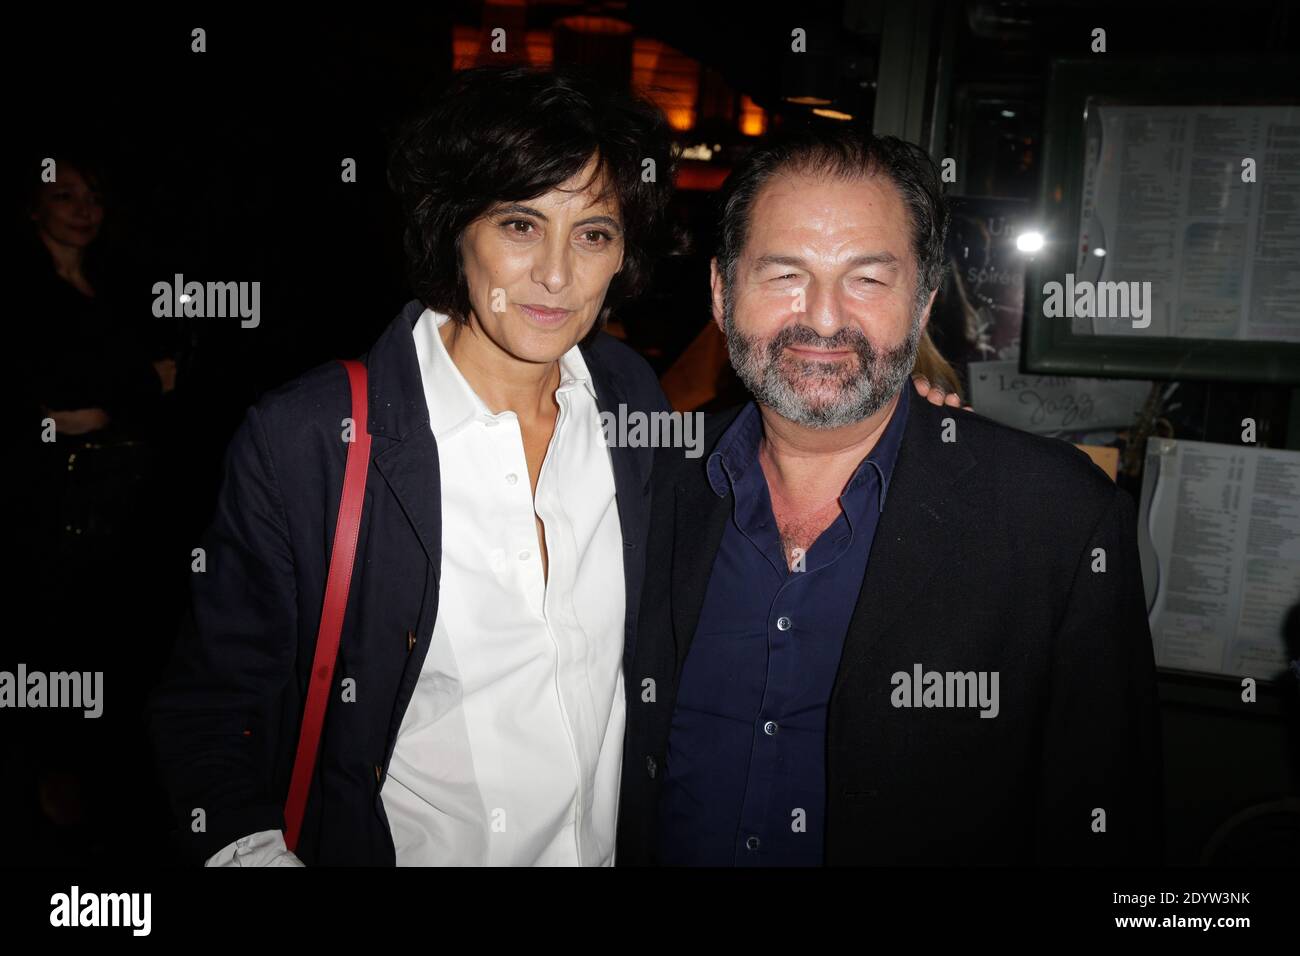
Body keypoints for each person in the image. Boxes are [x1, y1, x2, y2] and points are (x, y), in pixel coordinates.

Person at [148, 66, 961, 868]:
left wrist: (887, 413)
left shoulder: (626, 401)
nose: (556, 274)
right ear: (454, 225)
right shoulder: (313, 438)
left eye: (594, 234)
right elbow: (210, 711)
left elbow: (764, 456)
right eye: (519, 224)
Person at [617, 126, 1163, 866]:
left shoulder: (1056, 523)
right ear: (721, 291)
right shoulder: (641, 488)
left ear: (924, 300)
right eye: (784, 275)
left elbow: (1107, 825)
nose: (825, 317)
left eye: (868, 280)